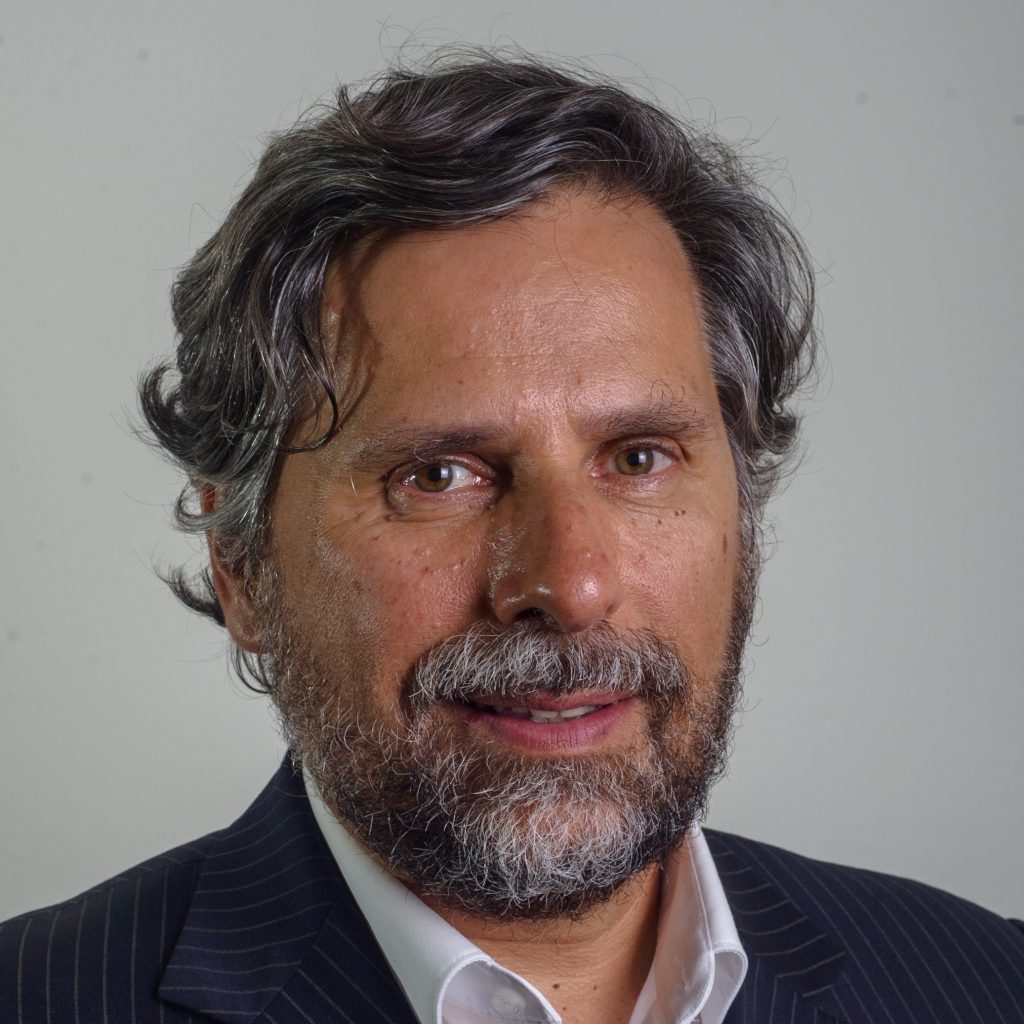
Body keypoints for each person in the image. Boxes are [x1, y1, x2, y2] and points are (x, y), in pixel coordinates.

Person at [1, 49, 1021, 1024]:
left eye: (638, 458)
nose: (569, 583)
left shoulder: (984, 982)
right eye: (437, 476)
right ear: (240, 565)